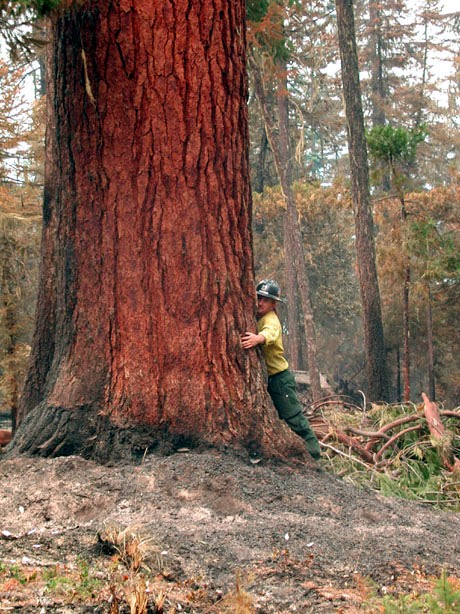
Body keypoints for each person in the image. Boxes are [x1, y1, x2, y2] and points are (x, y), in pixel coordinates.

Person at [241, 279, 321, 460]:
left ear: (273, 303)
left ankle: (314, 455)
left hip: (280, 380)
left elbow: (271, 333)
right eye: (258, 298)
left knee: (294, 418)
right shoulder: (257, 317)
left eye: (265, 300)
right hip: (269, 380)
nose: (260, 302)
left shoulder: (271, 320)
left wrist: (258, 338)